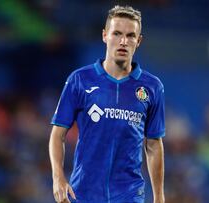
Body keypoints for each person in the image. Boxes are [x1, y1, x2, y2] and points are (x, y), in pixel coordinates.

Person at [49, 5, 165, 203]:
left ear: (139, 41)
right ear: (105, 35)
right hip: (84, 192)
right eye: (117, 33)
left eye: (130, 36)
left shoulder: (152, 87)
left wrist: (159, 197)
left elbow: (154, 144)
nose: (123, 41)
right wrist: (58, 177)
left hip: (130, 194)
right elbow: (57, 135)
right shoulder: (80, 80)